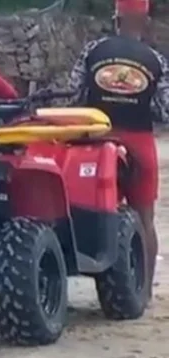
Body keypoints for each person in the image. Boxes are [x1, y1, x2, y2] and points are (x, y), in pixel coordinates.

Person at [68, 0, 168, 300]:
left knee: (86, 209)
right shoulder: (156, 60)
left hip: (96, 141)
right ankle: (145, 292)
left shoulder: (93, 52)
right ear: (145, 22)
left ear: (116, 19)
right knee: (146, 219)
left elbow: (73, 97)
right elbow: (164, 109)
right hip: (139, 143)